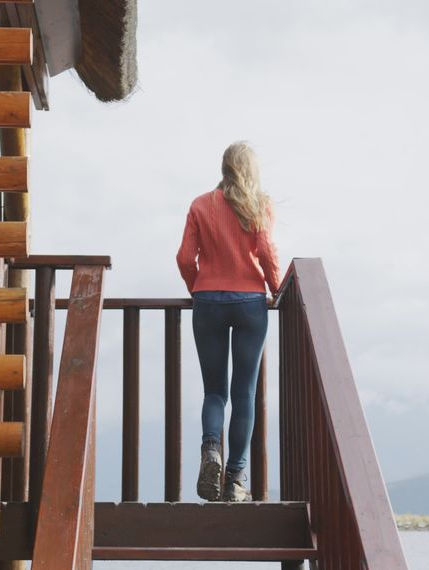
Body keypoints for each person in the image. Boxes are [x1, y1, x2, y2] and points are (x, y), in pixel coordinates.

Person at [176, 141, 282, 502]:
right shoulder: (258, 206)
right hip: (250, 303)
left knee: (215, 392)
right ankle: (236, 479)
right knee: (244, 393)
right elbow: (267, 254)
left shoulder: (200, 205)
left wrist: (198, 289)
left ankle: (211, 452)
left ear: (223, 168)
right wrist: (276, 288)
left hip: (208, 302)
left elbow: (185, 258)